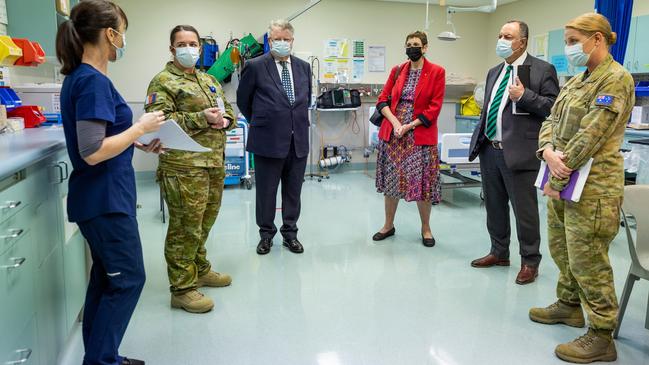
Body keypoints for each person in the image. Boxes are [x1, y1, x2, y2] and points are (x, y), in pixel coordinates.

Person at [56, 1, 165, 364]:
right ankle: (102, 361)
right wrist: (140, 127)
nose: (123, 40)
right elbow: (91, 150)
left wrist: (137, 140)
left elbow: (103, 135)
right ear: (110, 34)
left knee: (106, 278)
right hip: (104, 201)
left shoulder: (85, 78)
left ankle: (104, 356)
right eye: (123, 31)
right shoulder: (91, 81)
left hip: (101, 197)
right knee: (129, 279)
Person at [529, 13, 635, 363]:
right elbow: (551, 120)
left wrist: (557, 175)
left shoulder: (616, 79)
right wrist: (545, 150)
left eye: (574, 41)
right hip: (561, 180)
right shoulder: (576, 81)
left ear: (598, 40)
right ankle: (570, 305)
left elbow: (591, 135)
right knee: (562, 248)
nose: (569, 48)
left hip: (593, 188)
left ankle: (602, 335)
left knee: (589, 258)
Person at [145, 25, 236, 314]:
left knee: (204, 223)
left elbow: (228, 111)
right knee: (185, 228)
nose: (189, 48)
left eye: (193, 43)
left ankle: (199, 268)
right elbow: (158, 122)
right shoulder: (162, 82)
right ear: (172, 49)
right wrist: (201, 117)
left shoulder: (208, 79)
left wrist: (226, 121)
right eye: (182, 44)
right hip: (183, 167)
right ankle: (182, 289)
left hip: (212, 163)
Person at [468, 20, 559, 284]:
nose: (502, 40)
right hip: (490, 149)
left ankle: (530, 261)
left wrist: (524, 96)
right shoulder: (494, 71)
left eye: (507, 36)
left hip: (520, 151)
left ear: (523, 41)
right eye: (500, 35)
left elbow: (553, 108)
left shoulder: (542, 70)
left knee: (525, 210)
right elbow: (489, 108)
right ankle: (499, 252)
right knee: (494, 206)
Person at [237, 19, 311, 255]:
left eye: (285, 39)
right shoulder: (255, 66)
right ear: (270, 41)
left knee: (293, 192)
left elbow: (304, 100)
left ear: (292, 41)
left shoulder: (303, 67)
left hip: (297, 141)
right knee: (266, 193)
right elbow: (243, 101)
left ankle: (290, 234)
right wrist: (262, 122)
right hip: (267, 141)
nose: (281, 43)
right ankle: (266, 235)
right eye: (276, 39)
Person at [372, 31, 445, 247]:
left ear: (425, 47)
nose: (412, 48)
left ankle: (426, 228)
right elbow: (382, 99)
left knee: (422, 183)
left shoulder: (436, 72)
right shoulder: (397, 71)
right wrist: (396, 123)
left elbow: (434, 107)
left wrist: (409, 126)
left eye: (416, 44)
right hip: (394, 135)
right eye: (408, 44)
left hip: (419, 134)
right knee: (392, 182)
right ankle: (388, 225)